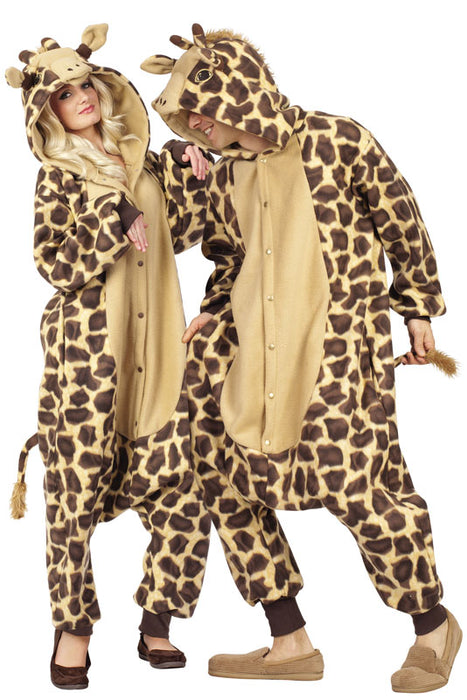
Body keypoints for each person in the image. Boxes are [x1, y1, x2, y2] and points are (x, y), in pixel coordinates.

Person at [140, 23, 462, 693]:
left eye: (199, 108)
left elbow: (400, 217)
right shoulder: (226, 174)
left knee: (360, 486)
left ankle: (432, 628)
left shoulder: (337, 139)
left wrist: (416, 307)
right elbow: (229, 255)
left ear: (235, 90)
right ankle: (288, 640)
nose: (194, 124)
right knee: (222, 477)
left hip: (338, 346)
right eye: (184, 116)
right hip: (252, 352)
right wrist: (215, 308)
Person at [6, 23, 212, 690]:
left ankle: (158, 621)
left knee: (183, 490)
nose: (80, 98)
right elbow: (55, 264)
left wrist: (192, 167)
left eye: (84, 85)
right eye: (63, 94)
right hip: (89, 364)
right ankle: (73, 632)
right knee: (73, 499)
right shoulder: (57, 177)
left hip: (160, 353)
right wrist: (108, 220)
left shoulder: (142, 159)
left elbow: (179, 234)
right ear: (47, 112)